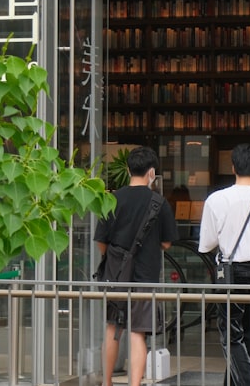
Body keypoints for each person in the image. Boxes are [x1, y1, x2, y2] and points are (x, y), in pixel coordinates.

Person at [198, 143, 250, 386]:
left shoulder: (217, 200)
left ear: (232, 167)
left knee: (232, 335)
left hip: (230, 272)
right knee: (249, 333)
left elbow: (206, 243)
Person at [95, 146, 179, 386]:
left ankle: (107, 382)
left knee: (112, 327)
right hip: (146, 275)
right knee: (137, 332)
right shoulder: (159, 203)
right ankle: (134, 384)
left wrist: (115, 260)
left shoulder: (113, 198)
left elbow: (101, 241)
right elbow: (167, 243)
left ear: (128, 169)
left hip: (116, 276)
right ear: (151, 172)